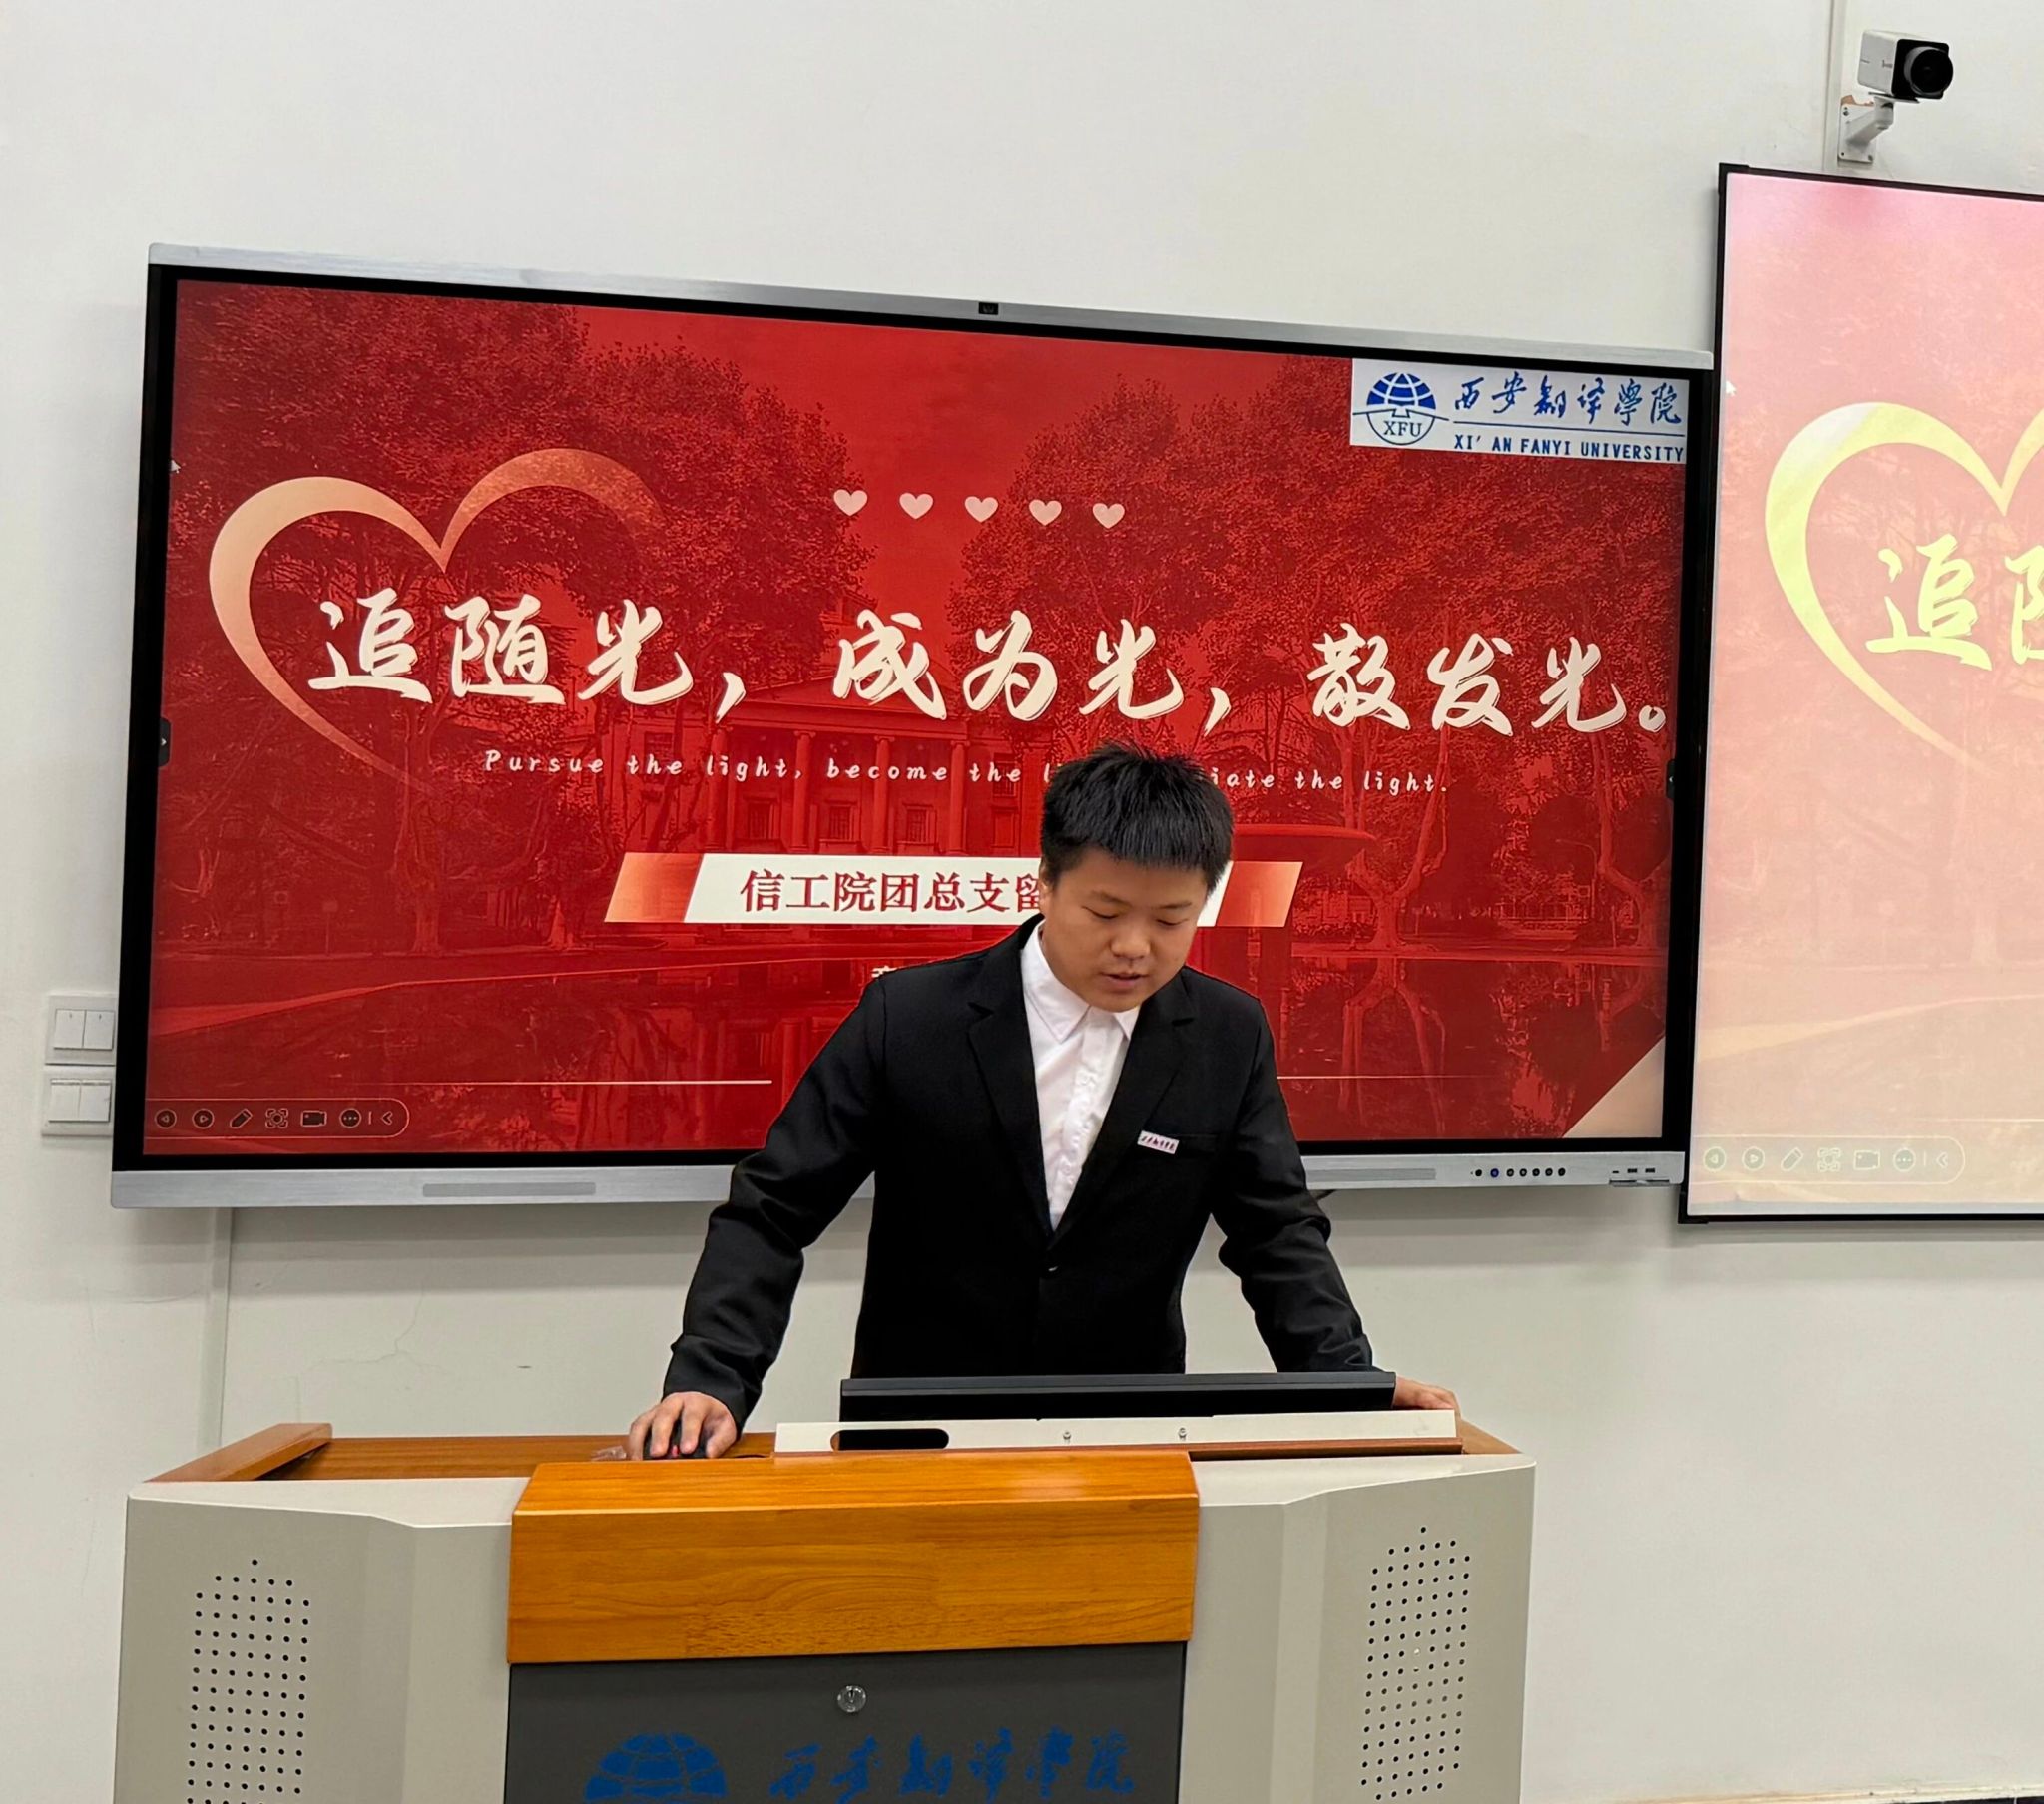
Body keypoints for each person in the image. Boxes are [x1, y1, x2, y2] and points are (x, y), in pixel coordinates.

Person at [629, 743, 1457, 1458]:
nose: (1134, 947)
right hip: (921, 1428)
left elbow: (1277, 1234)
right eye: (1105, 911)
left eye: (1171, 920)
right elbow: (773, 1209)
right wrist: (711, 1380)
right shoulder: (910, 1018)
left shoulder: (1226, 1035)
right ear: (1045, 884)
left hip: (1127, 1432)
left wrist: (1349, 1386)